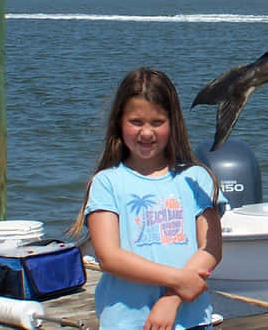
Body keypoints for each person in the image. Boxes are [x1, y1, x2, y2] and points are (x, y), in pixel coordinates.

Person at [68, 68, 225, 330]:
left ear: (173, 122)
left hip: (191, 320)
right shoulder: (106, 183)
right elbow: (109, 257)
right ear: (119, 121)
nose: (147, 133)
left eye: (157, 122)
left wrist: (171, 299)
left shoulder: (196, 178)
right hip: (128, 322)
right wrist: (179, 279)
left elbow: (211, 250)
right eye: (136, 122)